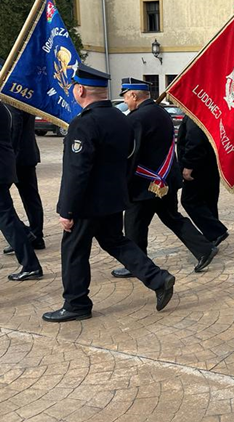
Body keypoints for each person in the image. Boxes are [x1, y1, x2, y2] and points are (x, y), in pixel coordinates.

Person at [42, 65, 176, 322]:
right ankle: (158, 278)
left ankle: (76, 304)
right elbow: (130, 160)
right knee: (115, 241)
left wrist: (67, 210)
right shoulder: (121, 118)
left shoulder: (84, 123)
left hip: (86, 203)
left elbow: (76, 172)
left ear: (80, 89)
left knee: (73, 251)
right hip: (114, 198)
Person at [111, 78, 218, 279]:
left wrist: (122, 181)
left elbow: (131, 154)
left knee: (134, 224)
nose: (125, 100)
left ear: (134, 95)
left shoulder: (135, 118)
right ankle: (204, 248)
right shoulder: (162, 113)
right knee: (172, 217)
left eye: (125, 96)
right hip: (167, 178)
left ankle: (136, 265)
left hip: (144, 183)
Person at [0, 101, 44, 281]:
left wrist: (13, 162)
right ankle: (30, 237)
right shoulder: (6, 105)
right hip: (10, 162)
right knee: (8, 214)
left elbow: (14, 133)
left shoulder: (9, 104)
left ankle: (30, 261)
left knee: (7, 217)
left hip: (13, 162)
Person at [177, 114, 229, 245]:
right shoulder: (209, 112)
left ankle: (216, 231)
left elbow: (195, 141)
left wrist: (189, 165)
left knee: (189, 200)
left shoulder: (195, 113)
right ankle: (212, 236)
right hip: (211, 164)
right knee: (208, 201)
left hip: (198, 167)